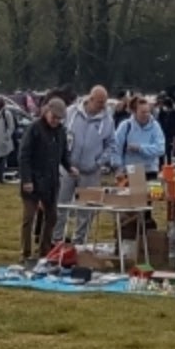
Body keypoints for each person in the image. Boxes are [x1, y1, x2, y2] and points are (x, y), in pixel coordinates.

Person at [59, 87, 117, 241]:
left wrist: (98, 162)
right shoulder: (71, 112)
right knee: (61, 205)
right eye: (99, 102)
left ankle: (79, 241)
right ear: (90, 99)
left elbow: (111, 145)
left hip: (91, 172)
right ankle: (56, 239)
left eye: (104, 102)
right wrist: (63, 158)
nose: (102, 105)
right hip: (67, 168)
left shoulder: (108, 120)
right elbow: (59, 134)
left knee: (86, 209)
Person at [18, 99, 68, 263]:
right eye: (54, 117)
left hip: (51, 182)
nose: (56, 121)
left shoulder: (61, 131)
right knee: (29, 218)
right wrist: (27, 179)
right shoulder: (34, 129)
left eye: (59, 118)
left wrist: (69, 167)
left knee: (52, 217)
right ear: (47, 111)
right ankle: (25, 253)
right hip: (32, 182)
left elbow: (63, 154)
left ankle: (44, 251)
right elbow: (24, 156)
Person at [113, 96, 167, 181]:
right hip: (131, 169)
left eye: (148, 112)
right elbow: (116, 147)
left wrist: (140, 148)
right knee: (133, 190)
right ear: (134, 112)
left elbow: (160, 149)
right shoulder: (125, 126)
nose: (146, 115)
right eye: (143, 112)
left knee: (153, 190)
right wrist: (118, 168)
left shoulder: (155, 126)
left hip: (151, 170)